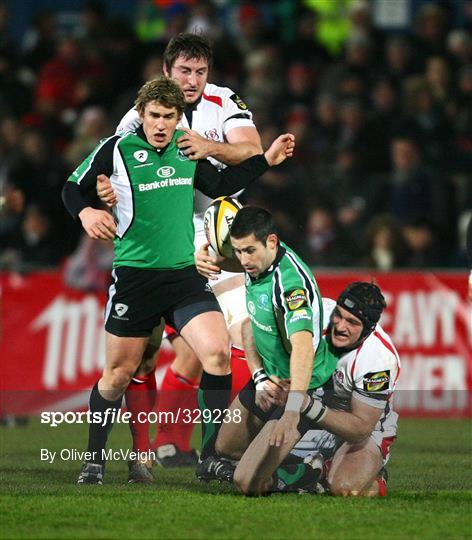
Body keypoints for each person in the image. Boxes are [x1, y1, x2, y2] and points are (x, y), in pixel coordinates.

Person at [61, 77, 295, 485]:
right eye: (154, 116)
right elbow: (70, 189)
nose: (161, 125)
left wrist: (266, 161)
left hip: (185, 277)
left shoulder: (187, 151)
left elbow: (222, 186)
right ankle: (94, 460)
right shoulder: (116, 149)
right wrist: (85, 213)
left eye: (169, 117)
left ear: (178, 119)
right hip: (135, 278)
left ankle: (210, 458)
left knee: (218, 356)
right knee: (118, 374)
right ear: (141, 115)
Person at [98, 32, 263, 471]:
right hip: (167, 237)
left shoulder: (224, 101)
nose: (192, 80)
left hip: (222, 228)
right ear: (166, 71)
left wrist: (209, 148)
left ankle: (216, 448)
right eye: (184, 71)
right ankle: (152, 448)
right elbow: (117, 177)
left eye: (200, 71)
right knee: (151, 354)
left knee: (238, 335)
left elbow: (252, 151)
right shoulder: (139, 118)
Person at [195, 206, 338, 490]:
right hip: (271, 379)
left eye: (249, 251)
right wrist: (260, 378)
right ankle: (294, 460)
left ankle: (314, 472)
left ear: (271, 242)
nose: (243, 260)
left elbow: (303, 349)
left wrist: (292, 411)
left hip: (303, 387)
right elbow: (249, 327)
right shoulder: (260, 260)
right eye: (238, 251)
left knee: (248, 481)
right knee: (225, 449)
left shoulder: (290, 286)